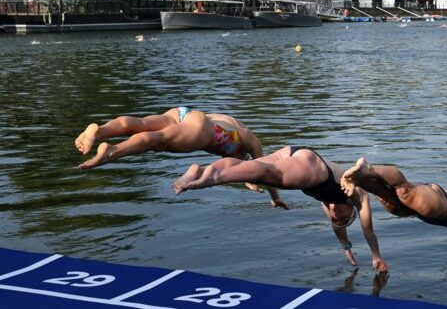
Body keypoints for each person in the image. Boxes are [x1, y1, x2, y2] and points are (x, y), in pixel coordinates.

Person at [172, 146, 389, 272]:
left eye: (336, 218)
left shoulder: (330, 206)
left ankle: (199, 170)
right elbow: (368, 230)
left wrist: (346, 248)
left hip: (293, 153)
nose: (336, 216)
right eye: (343, 217)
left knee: (261, 170)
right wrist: (375, 256)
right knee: (265, 172)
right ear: (352, 211)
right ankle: (211, 178)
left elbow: (337, 230)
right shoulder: (358, 196)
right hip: (313, 167)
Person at [73, 107, 280, 206]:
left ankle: (99, 131)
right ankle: (111, 151)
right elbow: (264, 167)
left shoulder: (230, 123)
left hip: (184, 113)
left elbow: (246, 169)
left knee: (141, 123)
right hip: (205, 132)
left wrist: (249, 180)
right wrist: (275, 197)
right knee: (157, 140)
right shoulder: (246, 139)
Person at [340, 157, 447, 261]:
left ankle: (358, 179)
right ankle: (369, 168)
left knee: (389, 202)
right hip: (442, 203)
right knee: (404, 191)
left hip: (425, 211)